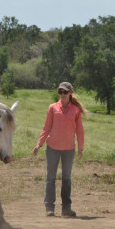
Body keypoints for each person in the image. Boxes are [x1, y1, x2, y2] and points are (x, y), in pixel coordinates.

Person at [33, 82, 86, 217]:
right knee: (50, 177)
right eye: (60, 92)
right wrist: (39, 144)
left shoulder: (76, 110)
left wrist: (81, 148)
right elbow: (46, 127)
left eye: (65, 92)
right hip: (52, 148)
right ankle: (49, 207)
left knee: (66, 178)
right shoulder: (53, 108)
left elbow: (79, 130)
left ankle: (66, 208)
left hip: (69, 149)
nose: (62, 94)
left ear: (70, 93)